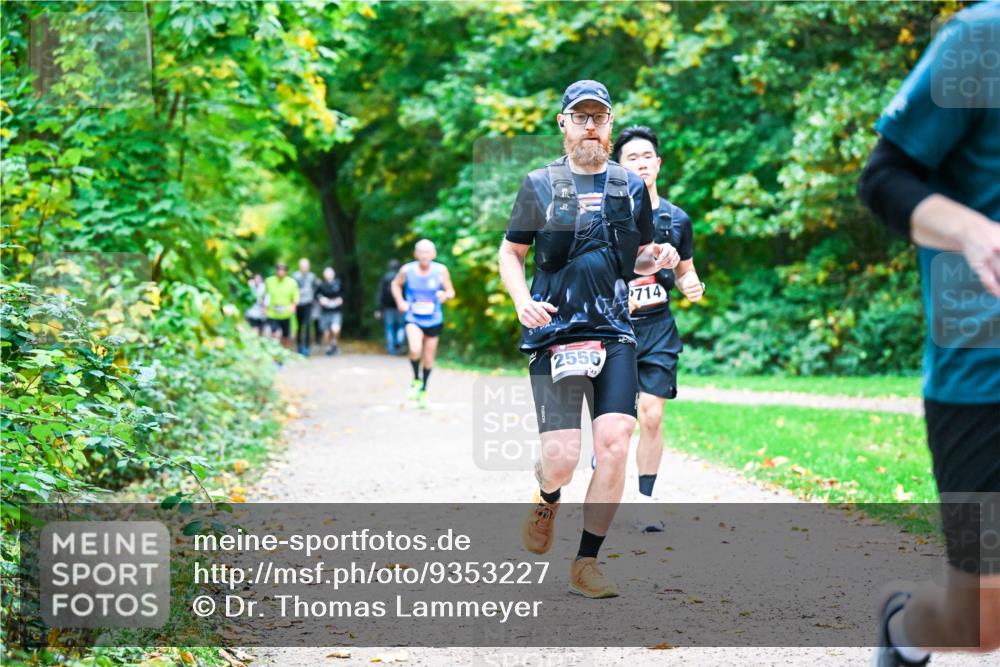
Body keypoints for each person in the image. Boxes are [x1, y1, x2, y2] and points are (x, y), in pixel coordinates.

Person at [497, 80, 680, 598]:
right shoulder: (538, 184)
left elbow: (636, 258)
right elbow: (511, 253)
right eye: (580, 117)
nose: (590, 126)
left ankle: (586, 563)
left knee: (616, 441)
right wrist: (521, 301)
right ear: (564, 124)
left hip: (614, 330)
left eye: (599, 117)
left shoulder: (630, 186)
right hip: (554, 330)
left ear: (610, 124)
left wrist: (658, 257)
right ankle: (547, 495)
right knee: (561, 457)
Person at [857, 3, 999, 664]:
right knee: (982, 622)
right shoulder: (981, 39)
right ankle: (904, 628)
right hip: (982, 370)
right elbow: (883, 178)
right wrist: (974, 232)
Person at [611, 126, 704, 532]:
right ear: (619, 168)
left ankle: (646, 500)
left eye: (647, 156)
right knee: (617, 424)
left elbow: (686, 272)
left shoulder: (676, 218)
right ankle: (604, 470)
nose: (642, 163)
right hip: (614, 328)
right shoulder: (607, 217)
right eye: (632, 158)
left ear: (659, 163)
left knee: (650, 416)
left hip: (658, 330)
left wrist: (691, 284)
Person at [391, 240, 455, 408]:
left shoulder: (441, 270)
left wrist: (445, 295)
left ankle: (424, 390)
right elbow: (395, 284)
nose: (424, 255)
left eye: (427, 252)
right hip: (413, 317)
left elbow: (451, 291)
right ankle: (416, 379)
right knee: (414, 349)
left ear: (433, 254)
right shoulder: (407, 270)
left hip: (434, 319)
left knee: (428, 359)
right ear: (415, 254)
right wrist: (400, 302)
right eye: (421, 251)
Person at [264, 262, 299, 351]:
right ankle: (275, 352)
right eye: (279, 270)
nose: (281, 272)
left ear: (286, 272)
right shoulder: (269, 281)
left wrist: (293, 305)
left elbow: (296, 297)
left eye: (283, 270)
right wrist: (265, 308)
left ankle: (284, 351)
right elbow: (266, 296)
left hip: (286, 314)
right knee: (275, 334)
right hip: (273, 313)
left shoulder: (292, 282)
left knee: (285, 336)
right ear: (276, 271)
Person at [375, 259, 405, 354]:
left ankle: (391, 349)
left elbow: (380, 293)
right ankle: (399, 342)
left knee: (389, 327)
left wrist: (378, 308)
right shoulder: (402, 278)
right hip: (401, 306)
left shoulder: (385, 278)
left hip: (388, 307)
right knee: (401, 326)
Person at [292, 258, 318, 356]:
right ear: (299, 266)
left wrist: (313, 298)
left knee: (307, 325)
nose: (304, 268)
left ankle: (307, 347)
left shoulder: (312, 276)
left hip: (308, 303)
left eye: (306, 266)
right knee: (299, 326)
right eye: (303, 266)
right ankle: (299, 346)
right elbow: (292, 289)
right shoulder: (295, 276)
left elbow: (316, 288)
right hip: (298, 303)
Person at [316, 267, 344, 356]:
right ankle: (329, 346)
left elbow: (343, 293)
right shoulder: (321, 285)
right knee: (326, 331)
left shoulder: (338, 283)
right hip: (325, 311)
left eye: (330, 273)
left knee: (335, 329)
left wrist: (340, 299)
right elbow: (316, 295)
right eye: (327, 273)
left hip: (336, 310)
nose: (329, 275)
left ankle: (334, 343)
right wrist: (321, 299)